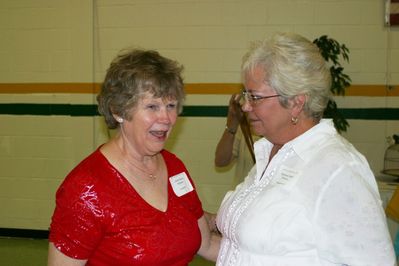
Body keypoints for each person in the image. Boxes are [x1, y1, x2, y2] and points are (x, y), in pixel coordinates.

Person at [215, 32, 396, 265]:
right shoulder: (271, 152)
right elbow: (249, 249)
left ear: (296, 103)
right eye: (245, 95)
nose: (246, 106)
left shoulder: (338, 168)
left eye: (255, 97)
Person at [47, 49, 220, 265]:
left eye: (171, 105)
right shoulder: (86, 189)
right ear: (118, 110)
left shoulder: (174, 167)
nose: (166, 118)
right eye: (152, 106)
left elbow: (207, 244)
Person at [214, 94, 258, 187]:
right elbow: (221, 161)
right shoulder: (244, 127)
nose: (246, 107)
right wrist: (232, 123)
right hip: (244, 197)